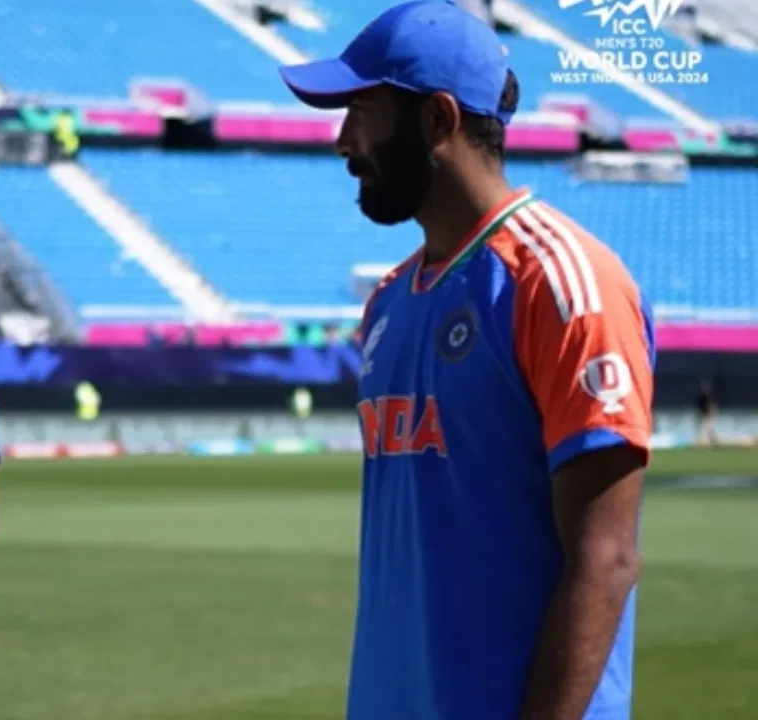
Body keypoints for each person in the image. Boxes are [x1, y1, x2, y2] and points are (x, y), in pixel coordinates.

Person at [279, 2, 654, 718]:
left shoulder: (565, 283)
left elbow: (605, 560)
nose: (342, 141)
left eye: (361, 110)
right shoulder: (389, 301)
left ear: (438, 121)